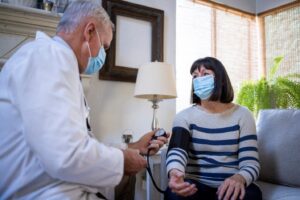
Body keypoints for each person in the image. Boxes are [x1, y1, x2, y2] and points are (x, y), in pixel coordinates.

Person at [0, 1, 168, 199]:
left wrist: (134, 147)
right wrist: (122, 160)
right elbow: (66, 154)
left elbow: (81, 143)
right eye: (105, 46)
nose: (103, 55)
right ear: (89, 31)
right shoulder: (48, 57)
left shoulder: (59, 65)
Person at [165, 57, 262, 200]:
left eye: (205, 74)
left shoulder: (243, 115)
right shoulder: (183, 117)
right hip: (195, 185)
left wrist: (240, 178)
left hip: (230, 185)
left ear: (221, 80)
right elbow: (177, 152)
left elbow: (251, 162)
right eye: (195, 76)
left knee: (251, 195)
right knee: (174, 195)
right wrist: (175, 173)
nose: (199, 80)